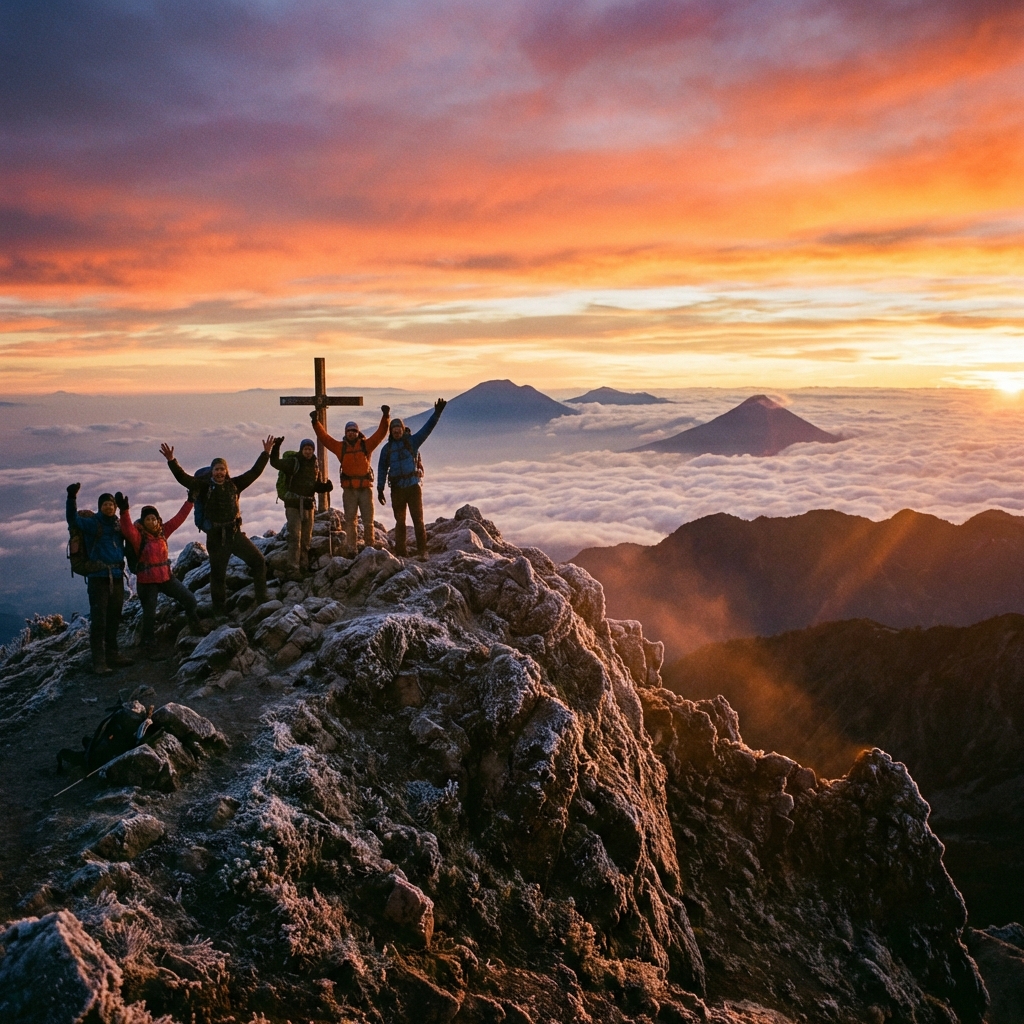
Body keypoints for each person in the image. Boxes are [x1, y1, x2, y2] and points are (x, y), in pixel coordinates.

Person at [159, 437, 274, 617]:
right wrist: (172, 461)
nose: (219, 472)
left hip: (234, 534)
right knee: (218, 575)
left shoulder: (234, 485)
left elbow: (254, 472)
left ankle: (262, 598)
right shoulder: (203, 487)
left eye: (222, 469)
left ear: (226, 471)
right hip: (215, 537)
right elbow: (183, 478)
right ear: (212, 472)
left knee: (258, 561)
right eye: (216, 469)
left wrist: (266, 454)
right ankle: (219, 612)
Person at [118, 493, 204, 658]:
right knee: (149, 614)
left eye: (154, 519)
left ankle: (195, 625)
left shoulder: (163, 531)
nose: (151, 522)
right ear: (143, 521)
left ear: (158, 520)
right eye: (148, 519)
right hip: (147, 581)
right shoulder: (138, 536)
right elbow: (127, 529)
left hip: (166, 578)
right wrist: (124, 511)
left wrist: (190, 501)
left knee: (189, 599)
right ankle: (148, 645)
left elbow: (178, 519)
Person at [66, 483, 134, 675]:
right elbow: (73, 519)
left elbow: (131, 533)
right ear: (99, 507)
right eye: (105, 504)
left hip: (117, 576)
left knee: (114, 618)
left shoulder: (117, 525)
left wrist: (125, 510)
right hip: (98, 578)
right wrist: (71, 498)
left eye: (111, 504)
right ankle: (99, 662)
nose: (108, 507)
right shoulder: (92, 523)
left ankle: (113, 654)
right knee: (99, 621)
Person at [311, 405, 390, 556]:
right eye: (349, 431)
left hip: (365, 489)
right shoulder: (340, 447)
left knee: (368, 520)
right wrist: (315, 422)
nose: (351, 433)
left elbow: (380, 434)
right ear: (345, 433)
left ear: (358, 432)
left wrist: (386, 416)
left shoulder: (366, 445)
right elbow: (325, 439)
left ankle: (369, 546)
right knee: (350, 520)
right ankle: (351, 549)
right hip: (349, 490)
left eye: (354, 431)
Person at [377, 399, 446, 558]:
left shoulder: (412, 442)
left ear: (403, 429)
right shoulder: (386, 449)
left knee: (418, 520)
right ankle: (401, 552)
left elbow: (427, 429)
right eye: (394, 429)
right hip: (397, 489)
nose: (396, 431)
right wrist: (380, 488)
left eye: (398, 428)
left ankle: (423, 551)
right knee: (400, 522)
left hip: (413, 487)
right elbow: (382, 468)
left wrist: (437, 413)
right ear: (391, 431)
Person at [270, 435, 334, 577]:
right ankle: (293, 569)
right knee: (295, 537)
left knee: (306, 539)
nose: (308, 452)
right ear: (301, 450)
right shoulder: (293, 462)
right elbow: (274, 462)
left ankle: (303, 567)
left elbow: (314, 486)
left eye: (310, 449)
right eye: (306, 449)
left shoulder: (314, 465)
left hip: (308, 505)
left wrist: (326, 487)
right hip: (293, 505)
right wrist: (276, 446)